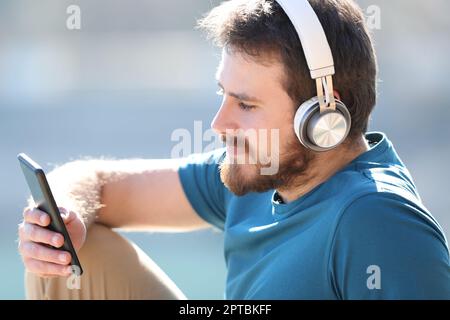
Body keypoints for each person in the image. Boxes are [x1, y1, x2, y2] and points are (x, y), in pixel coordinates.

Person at [18, 0, 450, 299]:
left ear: (323, 116)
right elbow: (94, 182)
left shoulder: (377, 221)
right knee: (69, 253)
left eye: (246, 104)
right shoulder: (260, 169)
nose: (219, 125)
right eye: (223, 95)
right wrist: (60, 217)